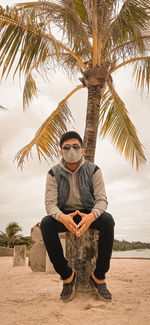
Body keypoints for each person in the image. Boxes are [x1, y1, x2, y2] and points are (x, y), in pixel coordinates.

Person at [40, 131, 115, 302]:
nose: (71, 150)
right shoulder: (53, 173)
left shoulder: (94, 170)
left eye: (76, 146)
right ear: (61, 151)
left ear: (82, 150)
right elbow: (50, 204)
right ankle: (67, 276)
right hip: (65, 214)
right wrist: (62, 217)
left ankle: (99, 276)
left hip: (88, 213)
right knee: (46, 224)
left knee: (108, 220)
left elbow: (102, 200)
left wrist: (91, 216)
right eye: (66, 147)